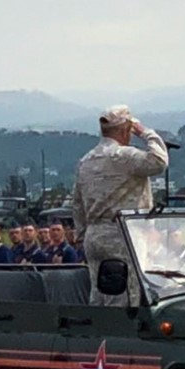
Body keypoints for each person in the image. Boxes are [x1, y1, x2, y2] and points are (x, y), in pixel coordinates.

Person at [72, 105, 169, 306]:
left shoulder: (86, 161)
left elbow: (78, 203)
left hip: (95, 233)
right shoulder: (125, 156)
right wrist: (146, 133)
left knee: (99, 293)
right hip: (124, 232)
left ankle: (98, 333)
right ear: (126, 130)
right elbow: (159, 161)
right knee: (126, 294)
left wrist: (82, 234)